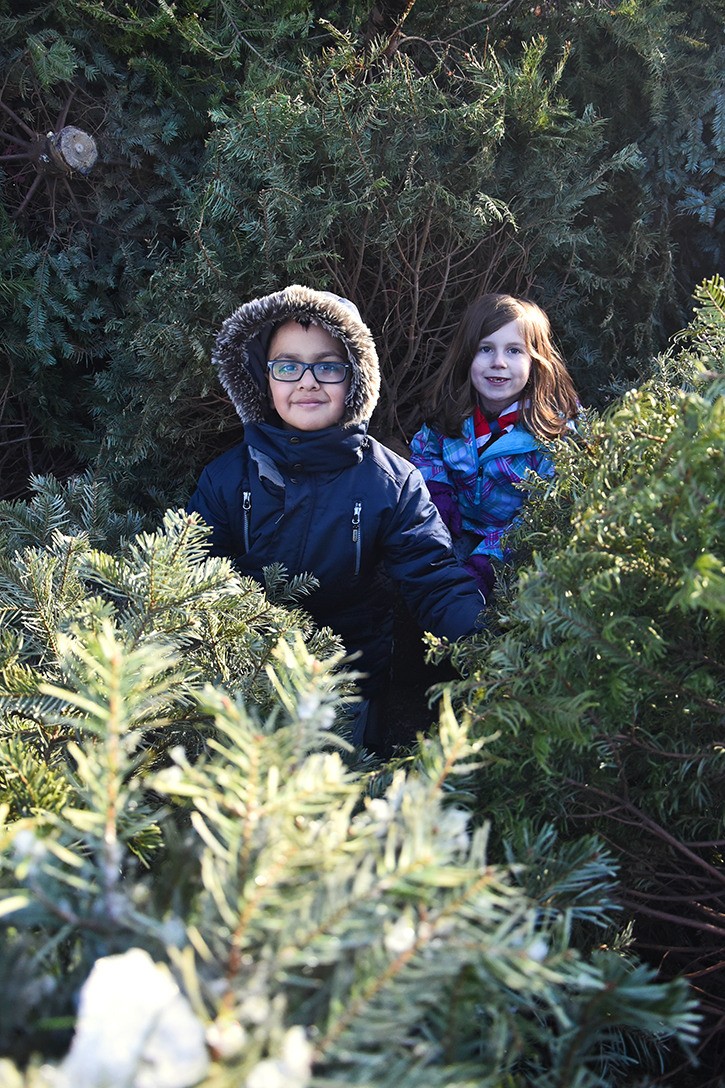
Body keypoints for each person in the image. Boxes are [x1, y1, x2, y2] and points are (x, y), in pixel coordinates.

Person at [187, 284, 486, 749]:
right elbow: (194, 576)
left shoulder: (391, 483)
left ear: (356, 378)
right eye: (288, 366)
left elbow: (434, 579)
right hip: (244, 678)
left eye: (327, 366)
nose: (307, 382)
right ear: (263, 379)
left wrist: (488, 647)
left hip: (348, 679)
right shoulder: (227, 479)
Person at [409, 293, 580, 594]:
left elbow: (542, 514)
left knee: (478, 599)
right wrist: (438, 493)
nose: (498, 363)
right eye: (486, 349)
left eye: (514, 351)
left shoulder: (551, 435)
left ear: (535, 361)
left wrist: (489, 560)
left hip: (513, 548)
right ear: (467, 356)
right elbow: (427, 451)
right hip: (456, 529)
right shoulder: (453, 410)